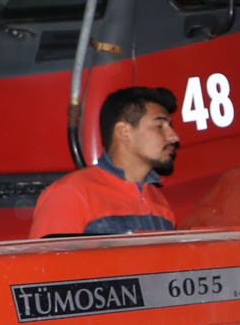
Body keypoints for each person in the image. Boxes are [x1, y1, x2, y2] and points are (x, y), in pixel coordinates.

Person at [31, 86, 179, 236]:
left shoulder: (159, 201)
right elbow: (46, 259)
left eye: (170, 127)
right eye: (160, 126)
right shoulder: (72, 194)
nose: (174, 137)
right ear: (124, 132)